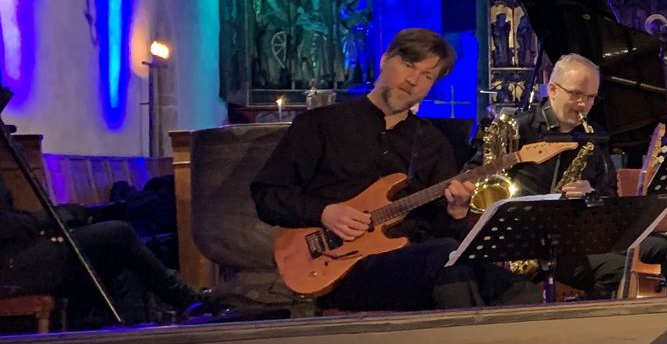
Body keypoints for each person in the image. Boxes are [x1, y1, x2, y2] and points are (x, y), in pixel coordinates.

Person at [252, 28, 542, 313]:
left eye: (427, 76)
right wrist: (324, 212)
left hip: (415, 260)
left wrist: (456, 212)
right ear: (384, 60)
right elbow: (267, 195)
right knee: (444, 260)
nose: (413, 80)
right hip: (342, 266)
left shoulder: (433, 144)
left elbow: (446, 234)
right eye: (408, 64)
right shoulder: (320, 125)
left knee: (521, 290)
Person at [478, 51, 624, 299]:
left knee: (621, 267)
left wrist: (592, 194)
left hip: (569, 244)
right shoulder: (518, 128)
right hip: (518, 247)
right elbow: (478, 179)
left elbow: (610, 194)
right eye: (576, 94)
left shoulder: (593, 135)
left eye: (590, 97)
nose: (583, 105)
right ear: (553, 90)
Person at [0, 199, 211, 328]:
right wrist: (51, 217)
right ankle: (187, 298)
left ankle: (130, 338)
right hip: (10, 267)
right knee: (119, 233)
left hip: (18, 252)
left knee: (118, 263)